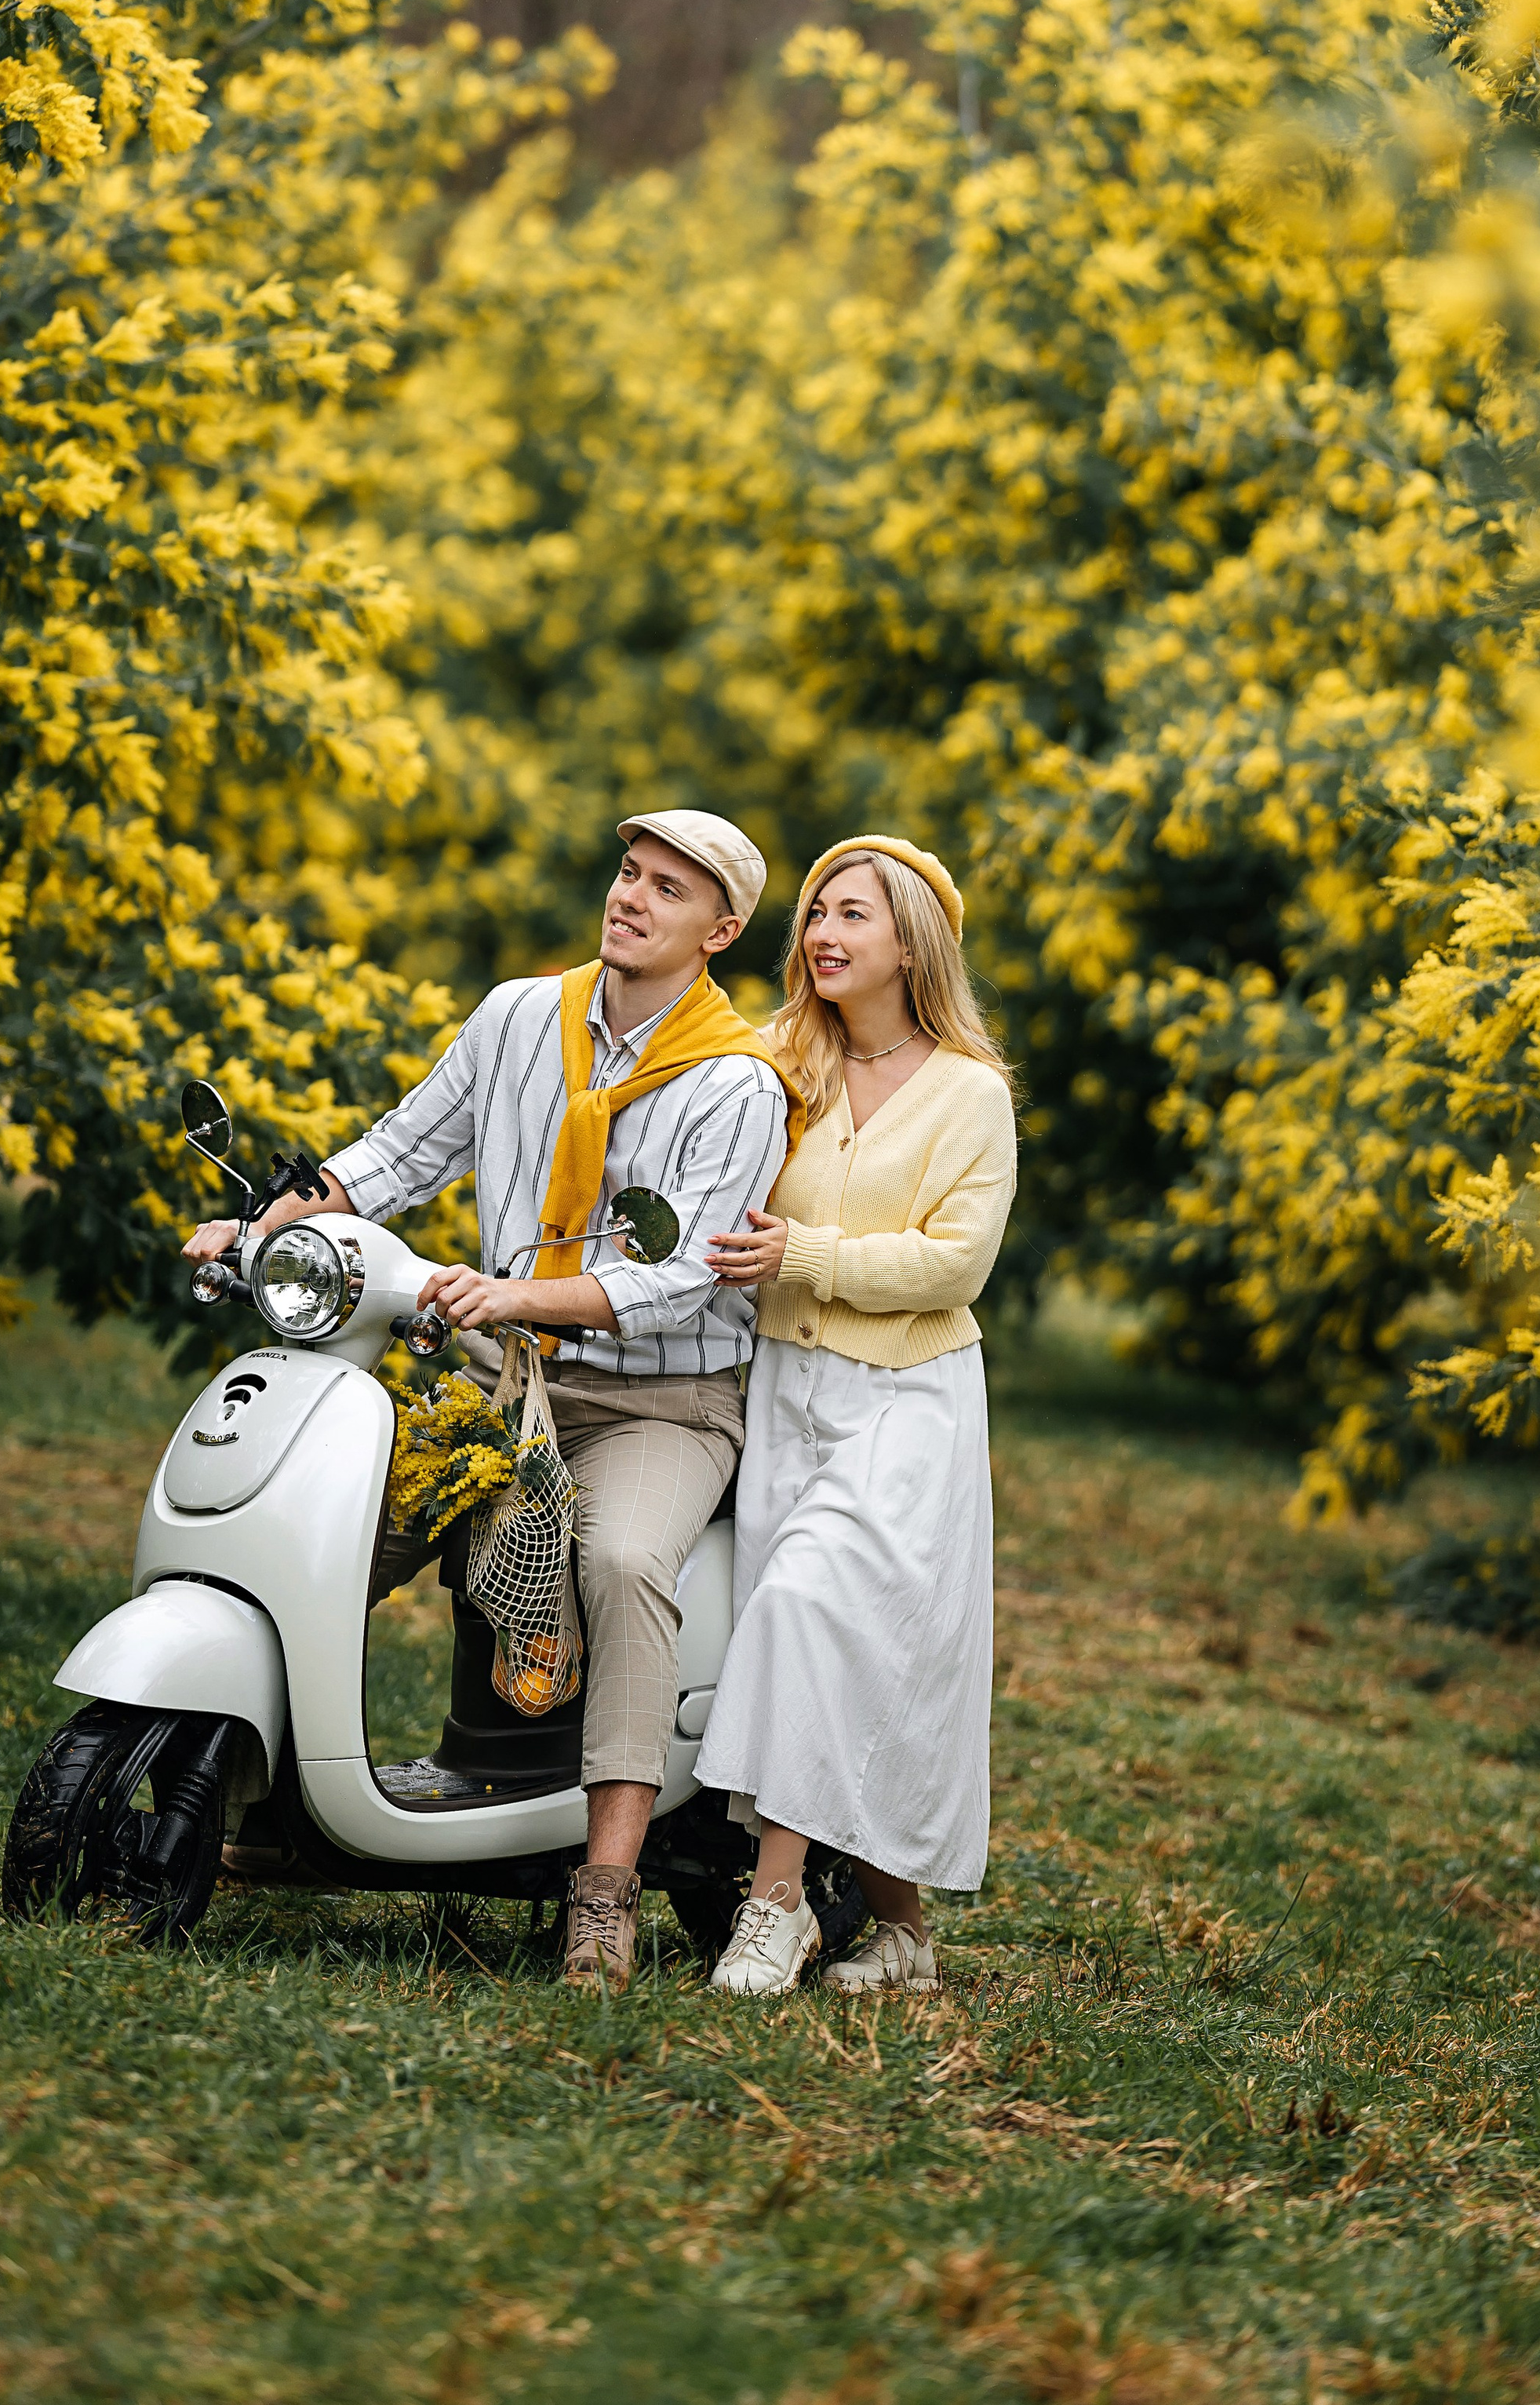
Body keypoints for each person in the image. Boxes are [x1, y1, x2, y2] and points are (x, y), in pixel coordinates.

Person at [184, 809, 799, 1992]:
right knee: (329, 1528)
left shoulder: (738, 1083)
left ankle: (605, 1893)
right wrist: (265, 1222)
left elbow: (681, 1279)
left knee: (624, 1562)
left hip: (662, 1403)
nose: (631, 897)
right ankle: (266, 1800)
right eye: (628, 872)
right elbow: (400, 1154)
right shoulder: (520, 1016)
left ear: (719, 933)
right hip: (504, 1382)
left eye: (668, 890)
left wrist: (519, 1296)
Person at [697, 834, 1015, 1997]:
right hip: (785, 1387)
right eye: (817, 913)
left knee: (805, 1603)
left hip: (908, 1398)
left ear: (911, 943)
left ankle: (775, 1909)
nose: (823, 933)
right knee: (842, 1655)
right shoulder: (778, 1061)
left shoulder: (972, 1095)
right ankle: (905, 1936)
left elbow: (955, 1267)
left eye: (852, 915)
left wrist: (805, 1255)